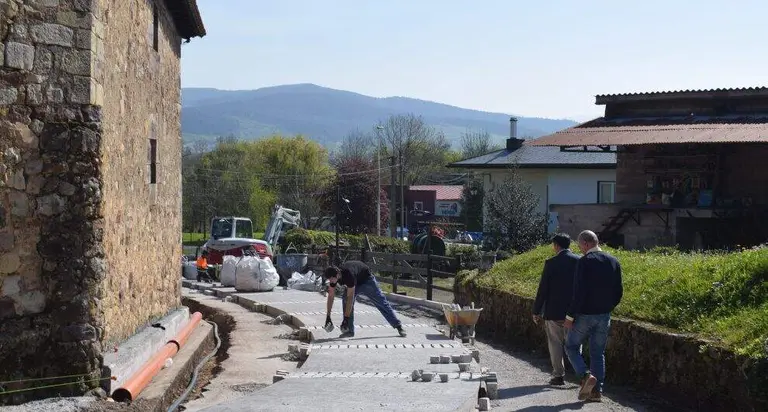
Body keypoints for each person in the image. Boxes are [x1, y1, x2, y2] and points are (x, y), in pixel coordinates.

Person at [563, 230, 623, 402]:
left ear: (586, 244)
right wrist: (608, 307)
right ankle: (597, 392)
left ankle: (585, 376)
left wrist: (570, 317)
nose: (580, 249)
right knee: (598, 353)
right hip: (604, 315)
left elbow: (579, 292)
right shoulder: (613, 261)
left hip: (585, 314)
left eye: (580, 245)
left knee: (571, 346)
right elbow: (619, 291)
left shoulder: (584, 262)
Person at [532, 233, 580, 386]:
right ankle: (582, 374)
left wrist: (536, 310)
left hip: (554, 311)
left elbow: (543, 289)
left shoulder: (551, 263)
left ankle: (558, 375)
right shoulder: (580, 261)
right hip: (575, 311)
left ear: (556, 245)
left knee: (555, 343)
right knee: (574, 343)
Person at [322, 260, 407, 338]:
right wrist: (328, 316)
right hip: (355, 281)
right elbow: (330, 296)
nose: (330, 281)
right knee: (345, 300)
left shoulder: (348, 275)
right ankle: (349, 331)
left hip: (367, 280)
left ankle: (398, 326)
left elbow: (350, 299)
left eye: (331, 279)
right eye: (329, 279)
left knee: (381, 302)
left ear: (337, 275)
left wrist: (346, 318)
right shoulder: (334, 278)